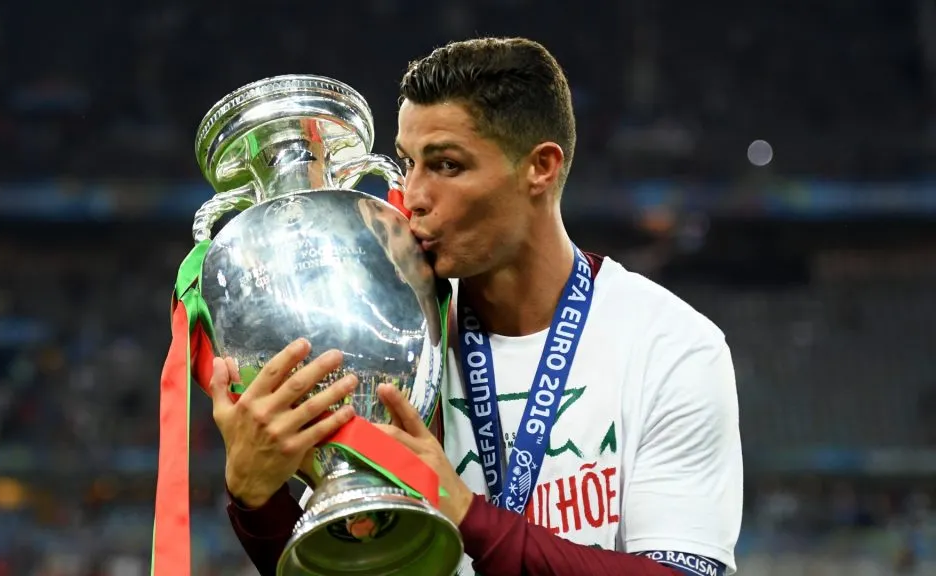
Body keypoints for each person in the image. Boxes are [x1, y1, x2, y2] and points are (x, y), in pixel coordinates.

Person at [209, 37, 743, 576]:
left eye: (446, 165)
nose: (412, 194)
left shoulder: (670, 346)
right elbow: (359, 567)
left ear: (541, 167)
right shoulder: (389, 337)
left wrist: (464, 512)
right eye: (407, 162)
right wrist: (258, 501)